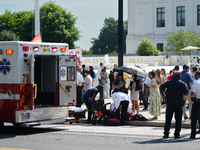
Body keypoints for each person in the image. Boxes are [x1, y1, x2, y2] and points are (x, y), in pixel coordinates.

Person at [160, 72, 188, 139]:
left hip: (170, 103)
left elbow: (161, 87)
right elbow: (186, 92)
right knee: (178, 119)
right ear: (179, 77)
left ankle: (166, 133)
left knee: (168, 119)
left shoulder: (169, 82)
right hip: (178, 103)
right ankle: (177, 134)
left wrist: (163, 95)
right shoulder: (182, 84)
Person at [190, 71, 200, 139]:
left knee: (194, 119)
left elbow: (192, 93)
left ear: (198, 75)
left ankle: (193, 134)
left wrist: (192, 99)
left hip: (198, 102)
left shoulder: (196, 82)